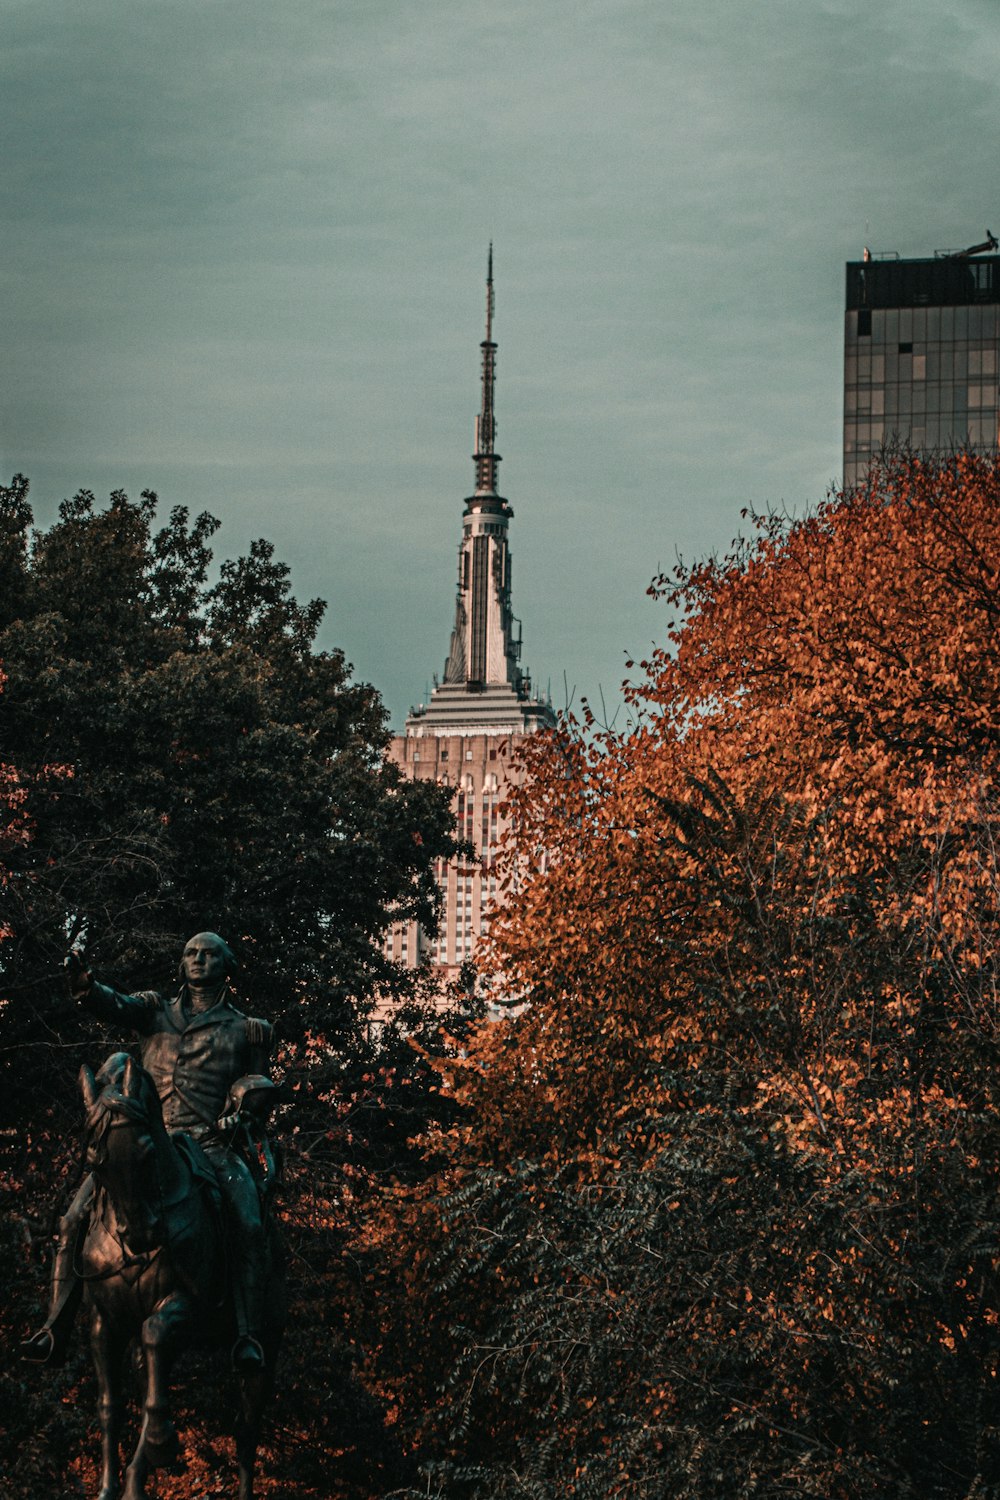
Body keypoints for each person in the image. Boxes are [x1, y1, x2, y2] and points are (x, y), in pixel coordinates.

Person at [21, 932, 276, 1372]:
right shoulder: (155, 1010)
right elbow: (112, 1003)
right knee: (73, 1218)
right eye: (191, 954)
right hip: (147, 1142)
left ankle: (247, 1334)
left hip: (210, 1144)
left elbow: (260, 1089)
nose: (199, 960)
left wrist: (242, 1114)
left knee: (250, 1222)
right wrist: (86, 985)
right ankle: (54, 1325)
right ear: (181, 965)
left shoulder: (246, 1029)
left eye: (209, 954)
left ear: (226, 965)